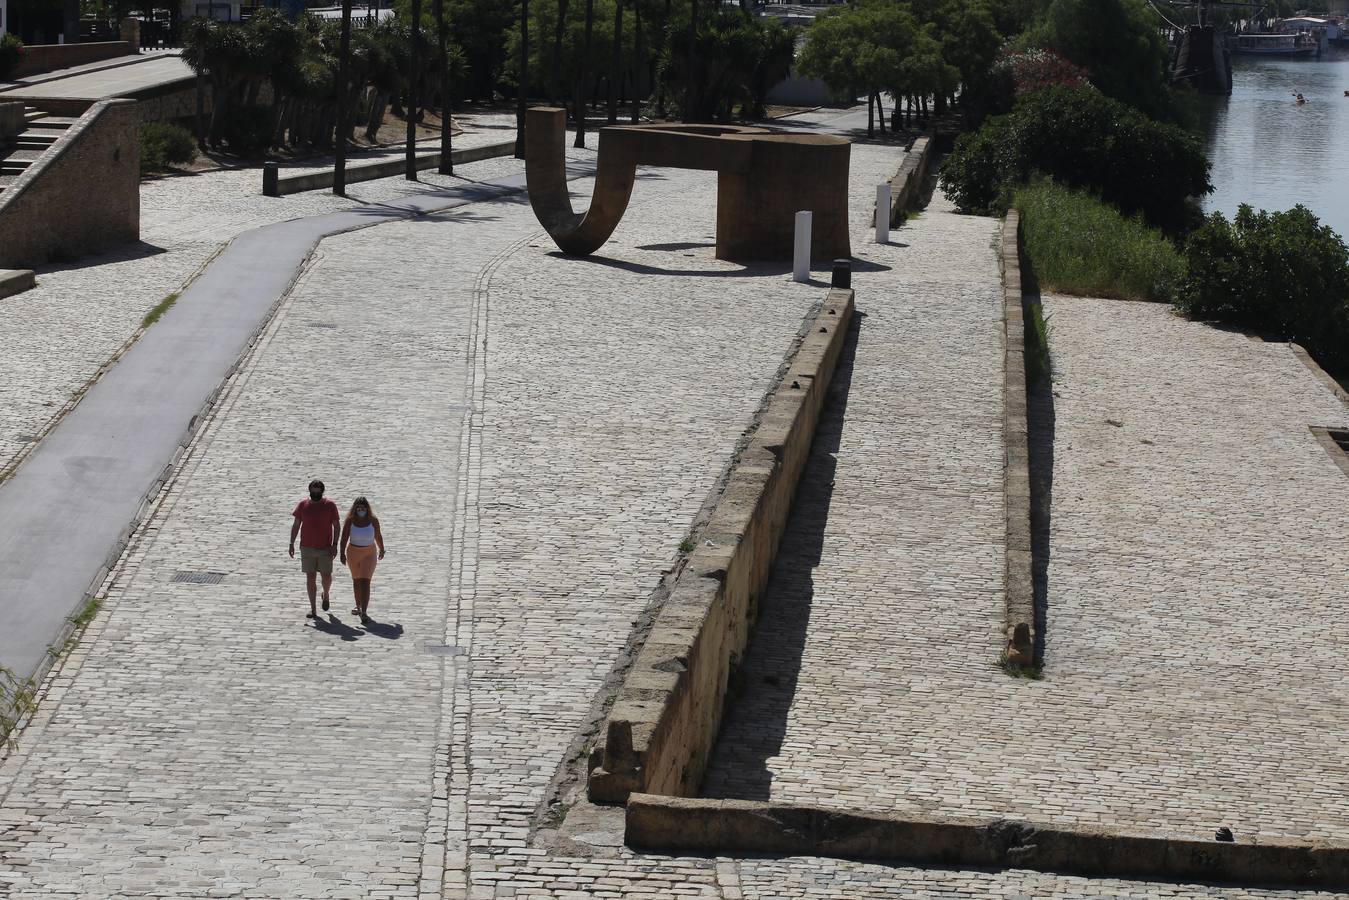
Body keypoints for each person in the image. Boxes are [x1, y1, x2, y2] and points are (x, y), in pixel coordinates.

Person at [289, 479, 341, 619]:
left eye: (318, 491)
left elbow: (336, 525)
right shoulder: (303, 505)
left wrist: (335, 544)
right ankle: (313, 609)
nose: (315, 493)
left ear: (322, 491)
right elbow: (296, 525)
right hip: (307, 547)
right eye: (313, 490)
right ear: (310, 491)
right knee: (310, 577)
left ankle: (326, 594)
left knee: (326, 576)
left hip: (325, 548)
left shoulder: (330, 505)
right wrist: (291, 543)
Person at [340, 496, 386, 624]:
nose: (361, 509)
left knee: (365, 581)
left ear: (367, 508)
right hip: (353, 553)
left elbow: (378, 535)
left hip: (369, 553)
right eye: (358, 507)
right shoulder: (350, 521)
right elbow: (344, 538)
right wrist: (342, 553)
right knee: (356, 581)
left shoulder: (373, 520)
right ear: (355, 508)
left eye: (363, 507)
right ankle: (358, 605)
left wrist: (382, 549)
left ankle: (364, 611)